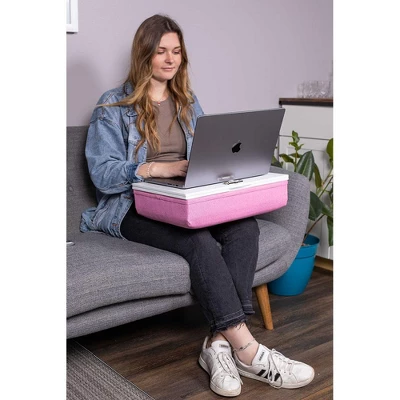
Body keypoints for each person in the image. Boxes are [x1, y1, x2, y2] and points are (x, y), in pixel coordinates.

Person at [81, 14, 314, 397]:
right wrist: (156, 168)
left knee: (245, 227)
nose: (170, 59)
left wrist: (220, 168)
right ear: (144, 54)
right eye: (161, 51)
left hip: (188, 195)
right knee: (198, 241)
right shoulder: (113, 105)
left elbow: (209, 152)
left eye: (176, 51)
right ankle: (248, 351)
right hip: (131, 203)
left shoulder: (187, 101)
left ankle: (217, 345)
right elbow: (102, 174)